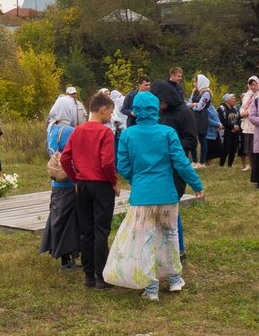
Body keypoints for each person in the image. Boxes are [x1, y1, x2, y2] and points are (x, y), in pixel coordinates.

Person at [104, 91, 204, 301]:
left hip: (142, 196)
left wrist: (136, 181)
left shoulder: (128, 134)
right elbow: (180, 161)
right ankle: (175, 279)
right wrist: (196, 183)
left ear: (136, 111)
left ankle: (151, 287)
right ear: (156, 108)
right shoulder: (167, 132)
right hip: (167, 193)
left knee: (145, 240)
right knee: (170, 235)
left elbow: (122, 165)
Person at [60, 91, 119, 290]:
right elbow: (108, 162)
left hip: (83, 184)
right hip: (101, 184)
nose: (111, 116)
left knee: (86, 230)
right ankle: (102, 276)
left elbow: (64, 159)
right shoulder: (105, 132)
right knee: (101, 230)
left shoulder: (76, 131)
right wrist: (113, 182)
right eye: (110, 112)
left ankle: (88, 275)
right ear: (103, 109)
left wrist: (76, 179)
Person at [39, 95, 80, 271]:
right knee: (69, 221)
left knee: (58, 217)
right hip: (68, 181)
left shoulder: (51, 129)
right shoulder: (69, 131)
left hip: (56, 182)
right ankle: (67, 258)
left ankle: (63, 256)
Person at [152, 67, 198, 163]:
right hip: (159, 161)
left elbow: (192, 141)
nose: (159, 106)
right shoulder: (159, 112)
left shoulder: (185, 113)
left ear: (167, 98)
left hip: (177, 159)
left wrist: (170, 144)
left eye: (160, 102)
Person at [189, 74, 212, 165]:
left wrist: (193, 105)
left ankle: (202, 162)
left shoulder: (206, 93)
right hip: (193, 117)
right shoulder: (195, 91)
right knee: (193, 138)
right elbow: (188, 103)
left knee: (202, 139)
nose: (194, 84)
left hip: (202, 118)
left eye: (195, 82)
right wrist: (193, 104)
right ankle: (194, 160)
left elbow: (199, 107)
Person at [239, 76, 259, 171]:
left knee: (255, 145)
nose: (252, 86)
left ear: (258, 84)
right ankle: (250, 164)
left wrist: (249, 112)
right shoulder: (247, 94)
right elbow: (242, 106)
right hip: (246, 122)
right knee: (248, 146)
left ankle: (256, 164)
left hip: (255, 123)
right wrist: (242, 112)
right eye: (251, 84)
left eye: (254, 84)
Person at [218, 92, 241, 167]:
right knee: (226, 149)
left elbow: (238, 118)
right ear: (227, 99)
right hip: (227, 131)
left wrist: (237, 126)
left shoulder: (234, 108)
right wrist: (232, 127)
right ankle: (221, 164)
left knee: (233, 149)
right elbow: (222, 120)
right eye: (233, 98)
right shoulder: (221, 108)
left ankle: (230, 165)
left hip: (235, 131)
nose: (234, 100)